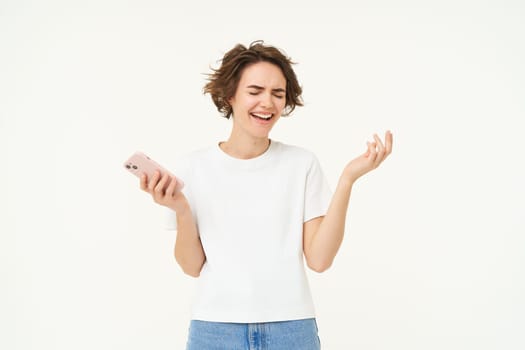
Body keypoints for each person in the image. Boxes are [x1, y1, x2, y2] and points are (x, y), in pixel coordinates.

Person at [139, 41, 393, 350]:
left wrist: (347, 180)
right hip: (215, 330)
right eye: (255, 91)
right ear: (229, 95)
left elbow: (320, 259)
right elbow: (191, 266)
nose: (267, 103)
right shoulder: (193, 167)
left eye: (277, 94)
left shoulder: (302, 164)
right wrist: (180, 209)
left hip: (291, 329)